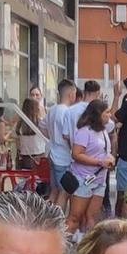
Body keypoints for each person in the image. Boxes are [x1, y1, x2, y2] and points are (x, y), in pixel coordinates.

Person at [67, 98, 114, 235]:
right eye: (106, 112)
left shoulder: (103, 131)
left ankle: (88, 247)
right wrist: (99, 162)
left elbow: (105, 150)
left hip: (99, 179)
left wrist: (109, 159)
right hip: (84, 178)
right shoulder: (85, 131)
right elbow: (76, 154)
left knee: (92, 217)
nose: (109, 115)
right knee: (75, 217)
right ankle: (61, 246)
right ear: (97, 114)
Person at [44, 78, 82, 209]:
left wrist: (52, 137)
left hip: (52, 153)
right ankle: (57, 221)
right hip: (63, 157)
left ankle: (46, 218)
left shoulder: (52, 110)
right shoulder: (67, 112)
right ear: (71, 93)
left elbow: (42, 126)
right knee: (64, 191)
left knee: (54, 190)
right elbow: (68, 136)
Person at [18, 93, 49, 181]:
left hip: (25, 159)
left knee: (25, 182)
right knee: (38, 182)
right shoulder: (40, 123)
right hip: (40, 157)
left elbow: (18, 144)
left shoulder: (20, 126)